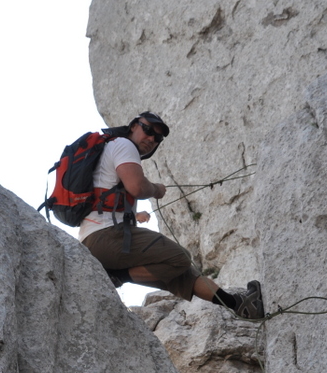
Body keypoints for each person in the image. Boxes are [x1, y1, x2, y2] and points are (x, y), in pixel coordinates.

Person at [78, 111, 265, 319]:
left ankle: (240, 305)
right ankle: (117, 276)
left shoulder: (114, 149)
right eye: (148, 130)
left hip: (101, 239)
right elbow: (137, 187)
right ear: (133, 126)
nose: (151, 138)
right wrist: (156, 190)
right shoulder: (124, 145)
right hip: (106, 235)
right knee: (179, 258)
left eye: (158, 138)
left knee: (183, 276)